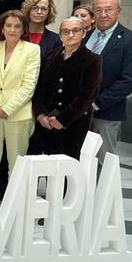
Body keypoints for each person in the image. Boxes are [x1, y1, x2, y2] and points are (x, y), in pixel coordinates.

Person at [0, 10, 40, 193]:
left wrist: (7, 108)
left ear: (23, 30)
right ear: (2, 28)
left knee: (16, 165)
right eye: (9, 25)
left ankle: (15, 210)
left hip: (18, 115)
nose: (12, 29)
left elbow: (29, 85)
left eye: (17, 26)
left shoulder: (32, 50)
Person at [32, 17, 102, 159]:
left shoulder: (93, 60)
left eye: (75, 30)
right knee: (46, 169)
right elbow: (38, 89)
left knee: (67, 171)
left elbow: (87, 95)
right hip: (46, 122)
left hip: (73, 124)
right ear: (60, 35)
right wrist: (40, 115)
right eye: (66, 31)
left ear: (83, 33)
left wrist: (62, 120)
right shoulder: (49, 56)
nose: (70, 35)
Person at [87, 0, 132, 162]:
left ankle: (97, 190)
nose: (103, 14)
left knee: (100, 161)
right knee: (76, 158)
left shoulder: (131, 40)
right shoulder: (85, 36)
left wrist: (95, 103)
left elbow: (127, 82)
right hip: (77, 113)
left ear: (118, 11)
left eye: (108, 10)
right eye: (98, 10)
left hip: (106, 113)